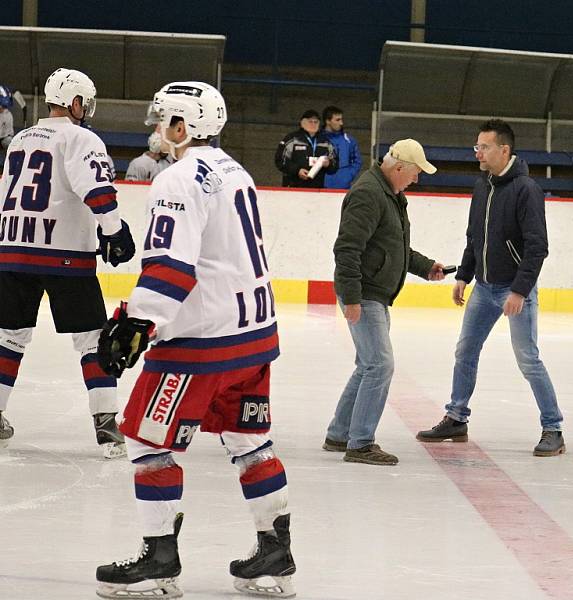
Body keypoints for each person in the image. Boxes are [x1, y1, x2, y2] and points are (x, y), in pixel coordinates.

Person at [95, 81, 296, 599]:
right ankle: (274, 552)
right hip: (254, 336)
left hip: (202, 342)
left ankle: (160, 560)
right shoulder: (237, 170)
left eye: (165, 119)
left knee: (145, 440)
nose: (158, 129)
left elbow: (171, 266)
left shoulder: (178, 179)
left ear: (184, 125)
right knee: (251, 441)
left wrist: (139, 322)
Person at [0, 68, 134, 458]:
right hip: (64, 253)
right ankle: (107, 426)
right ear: (75, 102)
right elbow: (97, 188)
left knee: (8, 336)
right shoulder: (80, 137)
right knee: (93, 339)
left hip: (12, 247)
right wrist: (113, 230)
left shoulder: (22, 138)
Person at [416, 119, 565, 457]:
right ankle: (456, 417)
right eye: (476, 146)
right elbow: (474, 236)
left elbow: (537, 247)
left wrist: (519, 290)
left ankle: (553, 427)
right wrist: (463, 275)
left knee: (528, 359)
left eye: (483, 147)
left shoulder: (526, 189)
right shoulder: (482, 185)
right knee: (465, 351)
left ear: (504, 150)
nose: (477, 152)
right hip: (483, 287)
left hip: (514, 290)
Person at [324, 139, 445, 466]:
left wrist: (424, 266)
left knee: (368, 364)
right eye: (416, 172)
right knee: (380, 365)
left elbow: (393, 244)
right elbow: (347, 249)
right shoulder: (369, 194)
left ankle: (339, 433)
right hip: (363, 292)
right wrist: (350, 297)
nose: (417, 179)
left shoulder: (389, 194)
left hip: (373, 291)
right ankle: (360, 443)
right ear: (400, 167)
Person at [274, 108, 338, 188]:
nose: (313, 124)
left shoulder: (326, 142)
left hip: (317, 188)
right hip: (293, 186)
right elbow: (280, 159)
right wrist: (297, 170)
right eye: (310, 121)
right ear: (302, 123)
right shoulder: (292, 139)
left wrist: (329, 164)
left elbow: (335, 163)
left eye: (316, 122)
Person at [322, 105, 362, 189]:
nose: (341, 123)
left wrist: (347, 176)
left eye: (341, 119)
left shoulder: (349, 140)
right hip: (321, 187)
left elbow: (357, 161)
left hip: (343, 187)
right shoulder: (318, 140)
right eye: (337, 120)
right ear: (327, 121)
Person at [0, 84, 14, 164]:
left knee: (9, 142)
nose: (2, 109)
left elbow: (7, 138)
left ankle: (7, 168)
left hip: (4, 139)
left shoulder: (7, 115)